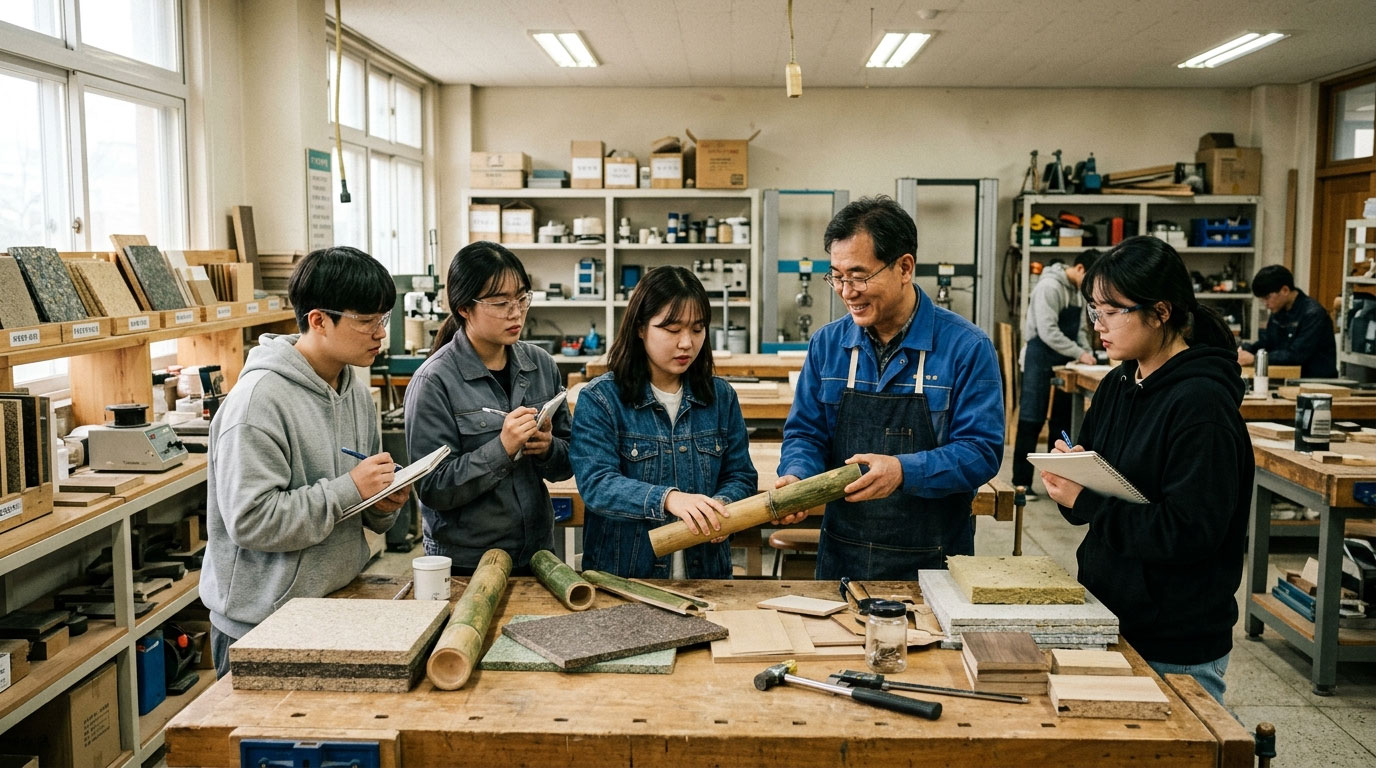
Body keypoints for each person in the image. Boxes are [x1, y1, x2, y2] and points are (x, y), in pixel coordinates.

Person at [1040, 235, 1253, 705]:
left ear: (1160, 312)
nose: (1098, 325)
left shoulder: (1202, 406)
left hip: (1174, 640)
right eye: (1094, 311)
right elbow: (1091, 496)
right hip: (1109, 613)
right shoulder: (1119, 382)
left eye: (1111, 312)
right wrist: (1070, 477)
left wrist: (1088, 499)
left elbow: (1190, 532)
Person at [201, 246, 411, 677]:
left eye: (383, 319)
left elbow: (356, 503)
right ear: (318, 320)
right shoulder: (257, 404)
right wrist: (350, 488)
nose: (380, 334)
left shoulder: (351, 387)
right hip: (260, 625)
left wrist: (382, 505)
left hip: (335, 601)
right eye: (366, 321)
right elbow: (251, 521)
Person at [777, 196, 1004, 580]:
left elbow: (980, 452)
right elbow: (806, 433)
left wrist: (904, 471)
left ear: (904, 267)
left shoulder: (967, 347)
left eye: (860, 276)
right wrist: (798, 476)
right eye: (837, 276)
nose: (847, 291)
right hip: (841, 559)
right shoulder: (827, 345)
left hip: (934, 564)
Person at [569, 266, 756, 578]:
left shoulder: (721, 397)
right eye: (672, 330)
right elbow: (597, 485)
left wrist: (723, 508)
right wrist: (668, 499)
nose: (686, 343)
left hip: (705, 579)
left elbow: (741, 477)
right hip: (626, 580)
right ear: (641, 328)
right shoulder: (601, 399)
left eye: (697, 329)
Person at [405, 241, 571, 576]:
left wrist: (548, 448)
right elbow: (432, 487)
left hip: (537, 553)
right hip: (467, 563)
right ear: (465, 308)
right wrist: (502, 449)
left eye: (522, 298)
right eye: (500, 303)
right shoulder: (434, 382)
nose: (516, 312)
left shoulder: (540, 365)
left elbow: (567, 464)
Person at [1011, 249, 1099, 496]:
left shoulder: (1079, 293)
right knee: (1032, 418)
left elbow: (1080, 329)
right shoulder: (1049, 287)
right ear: (1080, 268)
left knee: (1062, 420)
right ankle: (1021, 481)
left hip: (1065, 361)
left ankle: (1056, 480)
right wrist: (1078, 353)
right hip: (1040, 357)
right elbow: (1048, 331)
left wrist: (1085, 352)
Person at [1237, 265, 1338, 378]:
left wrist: (1255, 359)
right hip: (1289, 378)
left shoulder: (1313, 314)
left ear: (1285, 290)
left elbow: (1296, 355)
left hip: (1315, 382)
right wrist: (1245, 350)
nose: (1266, 304)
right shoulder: (1279, 311)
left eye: (1267, 298)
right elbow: (1267, 343)